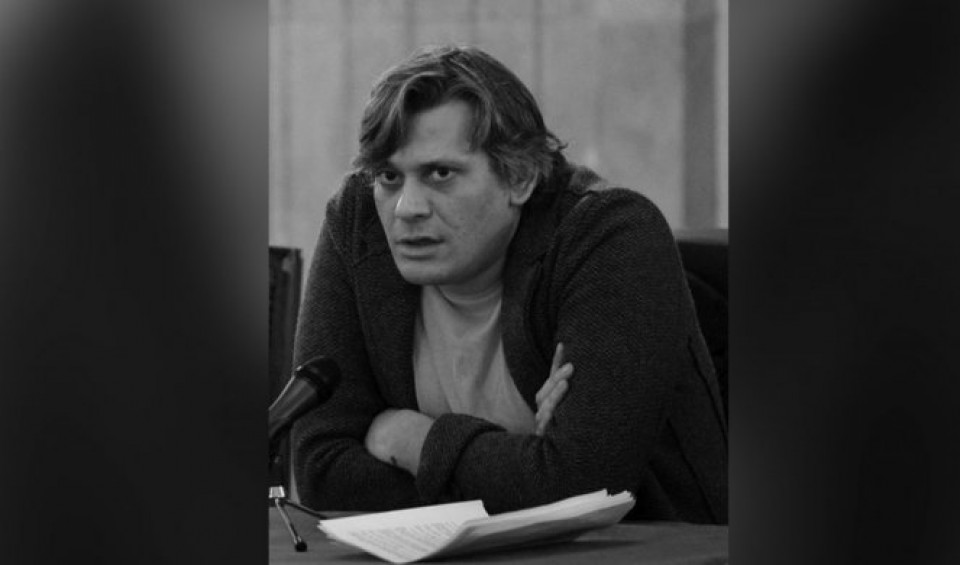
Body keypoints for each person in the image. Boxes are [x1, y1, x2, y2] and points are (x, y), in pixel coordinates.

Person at [291, 45, 727, 523]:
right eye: (389, 176)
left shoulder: (610, 236)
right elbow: (321, 474)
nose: (406, 208)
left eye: (441, 174)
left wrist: (413, 441)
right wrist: (520, 467)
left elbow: (583, 488)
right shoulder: (359, 221)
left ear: (520, 177)